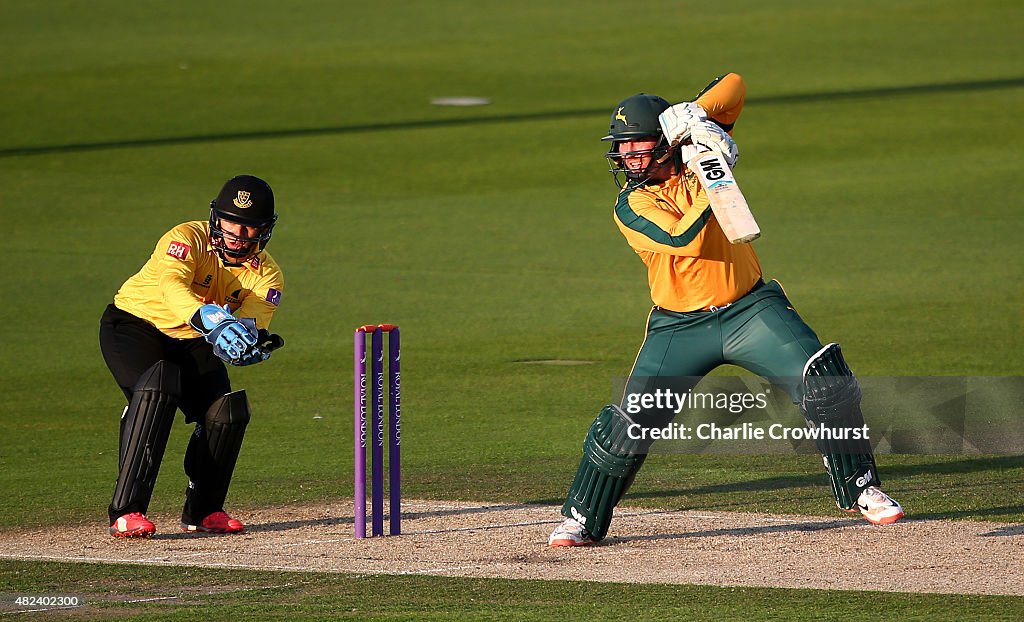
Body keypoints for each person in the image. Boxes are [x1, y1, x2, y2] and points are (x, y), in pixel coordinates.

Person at [548, 74, 903, 547]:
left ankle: (862, 489)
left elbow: (733, 85)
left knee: (825, 381)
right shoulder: (631, 204)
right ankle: (581, 517)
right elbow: (684, 239)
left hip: (750, 308)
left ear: (666, 142)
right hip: (679, 328)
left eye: (639, 146)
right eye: (624, 149)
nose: (628, 158)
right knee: (631, 422)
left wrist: (694, 118)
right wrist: (711, 171)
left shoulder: (698, 142)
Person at [99, 174, 285, 538]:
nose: (238, 235)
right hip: (135, 325)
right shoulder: (185, 238)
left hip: (195, 338)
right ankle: (127, 510)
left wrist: (244, 342)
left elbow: (252, 320)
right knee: (158, 386)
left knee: (225, 411)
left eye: (250, 229)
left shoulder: (268, 275)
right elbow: (172, 288)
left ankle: (203, 511)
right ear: (216, 218)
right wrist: (212, 319)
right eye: (232, 224)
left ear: (265, 231)